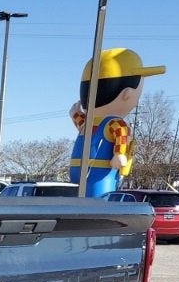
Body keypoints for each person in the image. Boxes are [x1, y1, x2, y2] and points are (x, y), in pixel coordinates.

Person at [69, 48, 165, 197]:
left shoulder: (89, 122)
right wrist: (119, 154)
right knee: (100, 203)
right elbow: (121, 135)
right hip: (100, 174)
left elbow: (83, 128)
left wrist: (75, 115)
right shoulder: (115, 123)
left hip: (77, 171)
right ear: (127, 94)